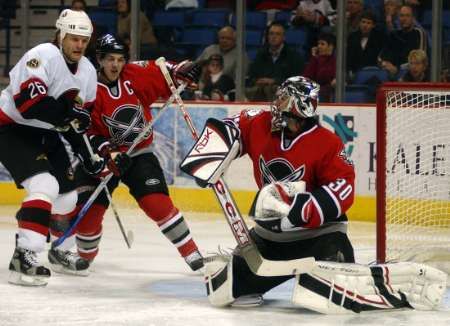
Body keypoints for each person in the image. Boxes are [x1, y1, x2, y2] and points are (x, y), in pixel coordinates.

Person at [182, 76, 447, 312]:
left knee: (318, 294)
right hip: (268, 240)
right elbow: (228, 126)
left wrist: (302, 209)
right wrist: (206, 157)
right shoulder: (259, 123)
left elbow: (343, 188)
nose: (276, 104)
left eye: (283, 99)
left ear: (298, 108)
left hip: (319, 238)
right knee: (224, 290)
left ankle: (381, 285)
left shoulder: (327, 143)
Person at [64, 34, 204, 272]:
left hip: (138, 152)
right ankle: (83, 259)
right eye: (110, 60)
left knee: (157, 203)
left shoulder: (133, 74)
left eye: (120, 59)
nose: (116, 65)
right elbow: (82, 130)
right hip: (100, 157)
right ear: (99, 60)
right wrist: (107, 152)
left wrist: (184, 70)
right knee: (89, 215)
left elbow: (165, 69)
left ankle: (192, 253)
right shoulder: (86, 86)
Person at [0, 9, 101, 286]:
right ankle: (25, 255)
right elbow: (28, 104)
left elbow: (78, 124)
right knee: (45, 185)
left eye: (84, 39)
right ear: (60, 35)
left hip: (47, 132)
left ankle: (60, 251)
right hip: (12, 127)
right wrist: (70, 115)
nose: (79, 45)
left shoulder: (88, 72)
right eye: (73, 38)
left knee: (67, 196)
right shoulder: (43, 55)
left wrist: (88, 155)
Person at [246, 22, 304, 101]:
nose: (273, 37)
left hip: (284, 95)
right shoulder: (261, 54)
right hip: (261, 93)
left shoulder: (293, 56)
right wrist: (257, 81)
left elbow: (296, 80)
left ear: (283, 37)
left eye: (277, 34)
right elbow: (252, 76)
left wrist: (274, 81)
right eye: (271, 34)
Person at [378, 4, 428, 78]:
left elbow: (420, 59)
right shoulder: (394, 34)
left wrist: (398, 69)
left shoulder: (419, 33)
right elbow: (381, 57)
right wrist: (385, 64)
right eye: (402, 16)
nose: (404, 18)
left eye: (407, 16)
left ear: (413, 18)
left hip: (411, 74)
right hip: (391, 73)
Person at [347, 11, 385, 76]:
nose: (365, 25)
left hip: (373, 73)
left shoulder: (380, 38)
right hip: (354, 73)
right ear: (359, 23)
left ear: (373, 25)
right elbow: (348, 57)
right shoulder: (352, 37)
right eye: (363, 22)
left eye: (368, 23)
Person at [302, 32, 336, 102]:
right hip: (315, 92)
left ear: (330, 46)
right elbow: (307, 77)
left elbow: (324, 77)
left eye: (322, 44)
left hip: (327, 94)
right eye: (318, 44)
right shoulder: (315, 60)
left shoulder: (335, 61)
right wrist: (314, 57)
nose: (319, 46)